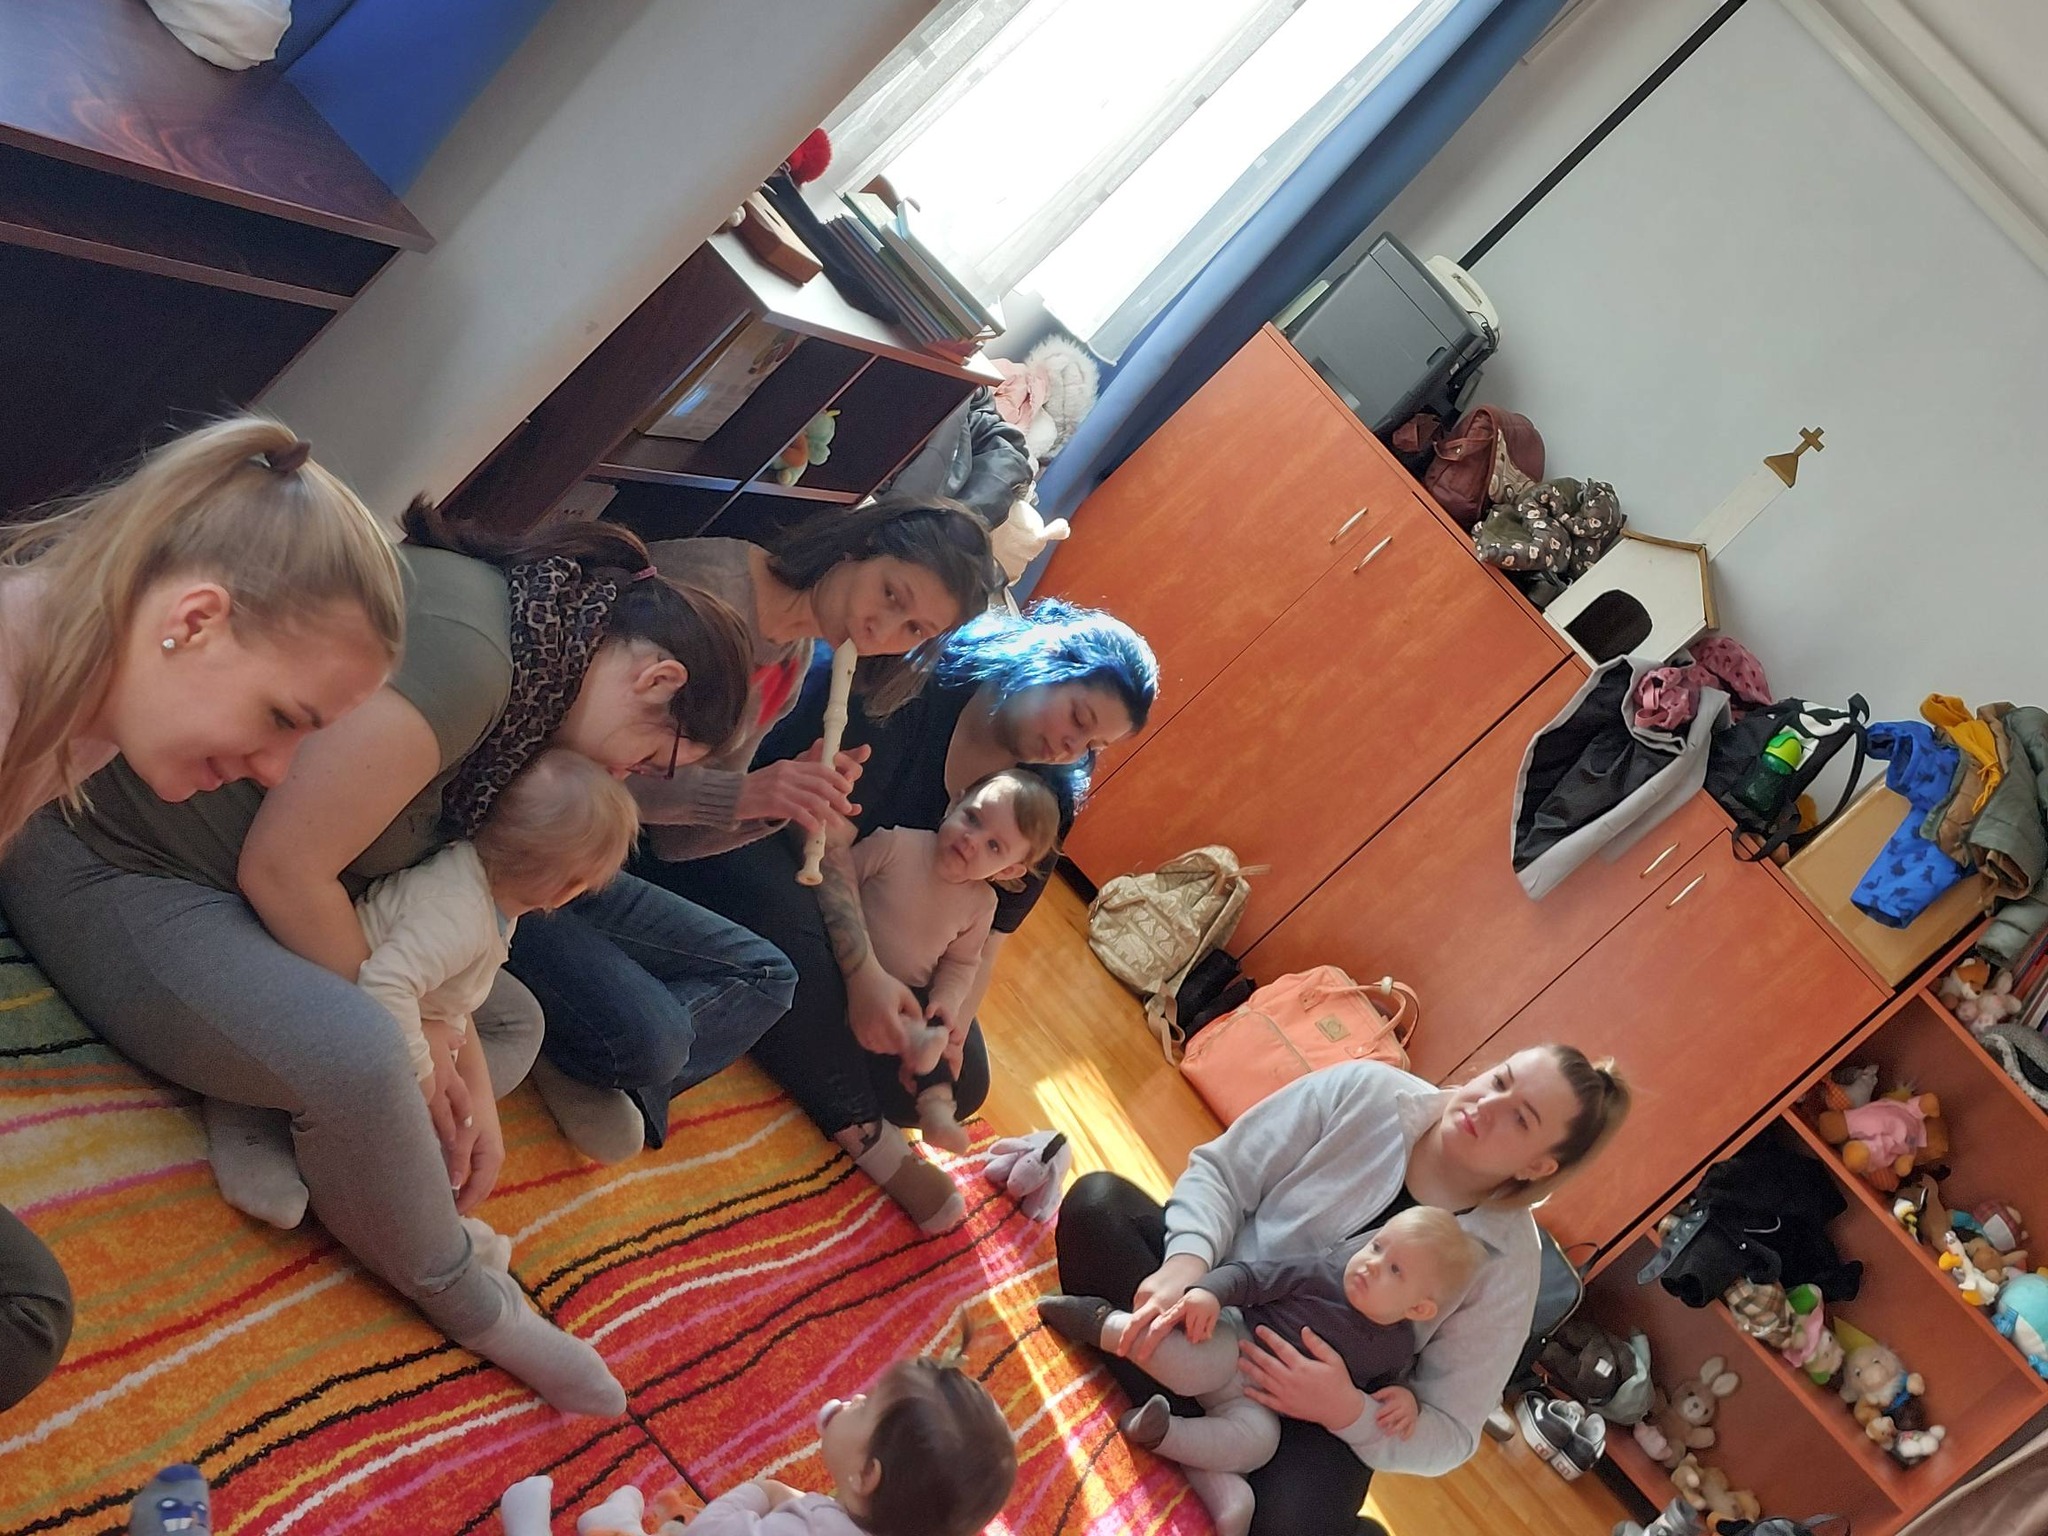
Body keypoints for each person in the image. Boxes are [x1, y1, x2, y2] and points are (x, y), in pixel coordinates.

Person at [0, 497, 772, 1417]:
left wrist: (450, 1046)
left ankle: (261, 1100)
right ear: (657, 680)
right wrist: (419, 1047)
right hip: (122, 861)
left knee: (507, 1017)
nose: (627, 776)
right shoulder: (475, 667)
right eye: (652, 759)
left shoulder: (538, 657)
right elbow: (283, 871)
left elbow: (404, 904)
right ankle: (468, 1295)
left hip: (241, 889)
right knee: (370, 1051)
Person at [0, 416, 404, 1418]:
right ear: (195, 619)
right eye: (282, 720)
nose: (275, 771)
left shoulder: (86, 708)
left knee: (29, 1315)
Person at [648, 599, 1157, 1232]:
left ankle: (791, 1017)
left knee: (963, 1082)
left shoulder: (1046, 795)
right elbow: (820, 839)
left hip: (888, 937)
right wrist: (863, 977)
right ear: (1045, 661)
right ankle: (864, 1133)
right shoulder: (912, 686)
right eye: (1077, 718)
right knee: (791, 931)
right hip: (785, 855)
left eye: (1092, 744)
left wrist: (947, 1030)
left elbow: (988, 937)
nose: (1070, 748)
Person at [517, 498, 998, 1160]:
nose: (883, 628)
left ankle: (596, 1057)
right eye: (891, 594)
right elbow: (583, 766)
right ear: (857, 548)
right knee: (658, 1036)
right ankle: (597, 1052)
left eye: (913, 627)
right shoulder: (711, 595)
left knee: (769, 978)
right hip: (538, 840)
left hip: (605, 856)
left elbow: (679, 839)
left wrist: (784, 800)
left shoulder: (793, 660)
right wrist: (748, 791)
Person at [1054, 1048, 1632, 1536]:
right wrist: (1186, 1265)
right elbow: (1223, 1174)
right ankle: (1211, 1451)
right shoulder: (1368, 1090)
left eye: (1520, 1118)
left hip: (1306, 1410)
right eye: (1499, 1080)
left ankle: (1194, 1425)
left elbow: (1452, 1429)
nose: (1487, 1105)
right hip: (1213, 1312)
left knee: (1292, 1521)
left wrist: (1348, 1411)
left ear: (1537, 1167)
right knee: (1097, 1207)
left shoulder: (1510, 1265)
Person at [1041, 1206, 1488, 1536]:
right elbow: (1251, 1277)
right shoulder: (1320, 1275)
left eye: (1394, 1269)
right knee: (1190, 1368)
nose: (1371, 1263)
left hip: (1260, 1403)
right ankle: (1101, 1323)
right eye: (1376, 1246)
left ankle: (1160, 1433)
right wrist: (1209, 1293)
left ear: (1418, 1309)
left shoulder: (1398, 1346)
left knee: (1257, 1443)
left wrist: (1404, 1400)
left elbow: (1384, 1384)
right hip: (1234, 1344)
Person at [840, 768, 1062, 1153]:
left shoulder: (981, 904)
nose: (971, 840)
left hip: (907, 998)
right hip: (843, 965)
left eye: (994, 847)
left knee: (935, 1035)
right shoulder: (897, 844)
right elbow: (839, 883)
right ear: (954, 803)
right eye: (972, 818)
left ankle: (936, 1110)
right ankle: (896, 1059)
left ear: (1008, 871)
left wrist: (947, 1004)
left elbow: (961, 964)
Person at [687, 1350, 1017, 1536]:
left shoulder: (803, 1527)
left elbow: (704, 1531)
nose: (856, 1398)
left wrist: (762, 1491)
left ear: (866, 1474)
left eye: (865, 1405)